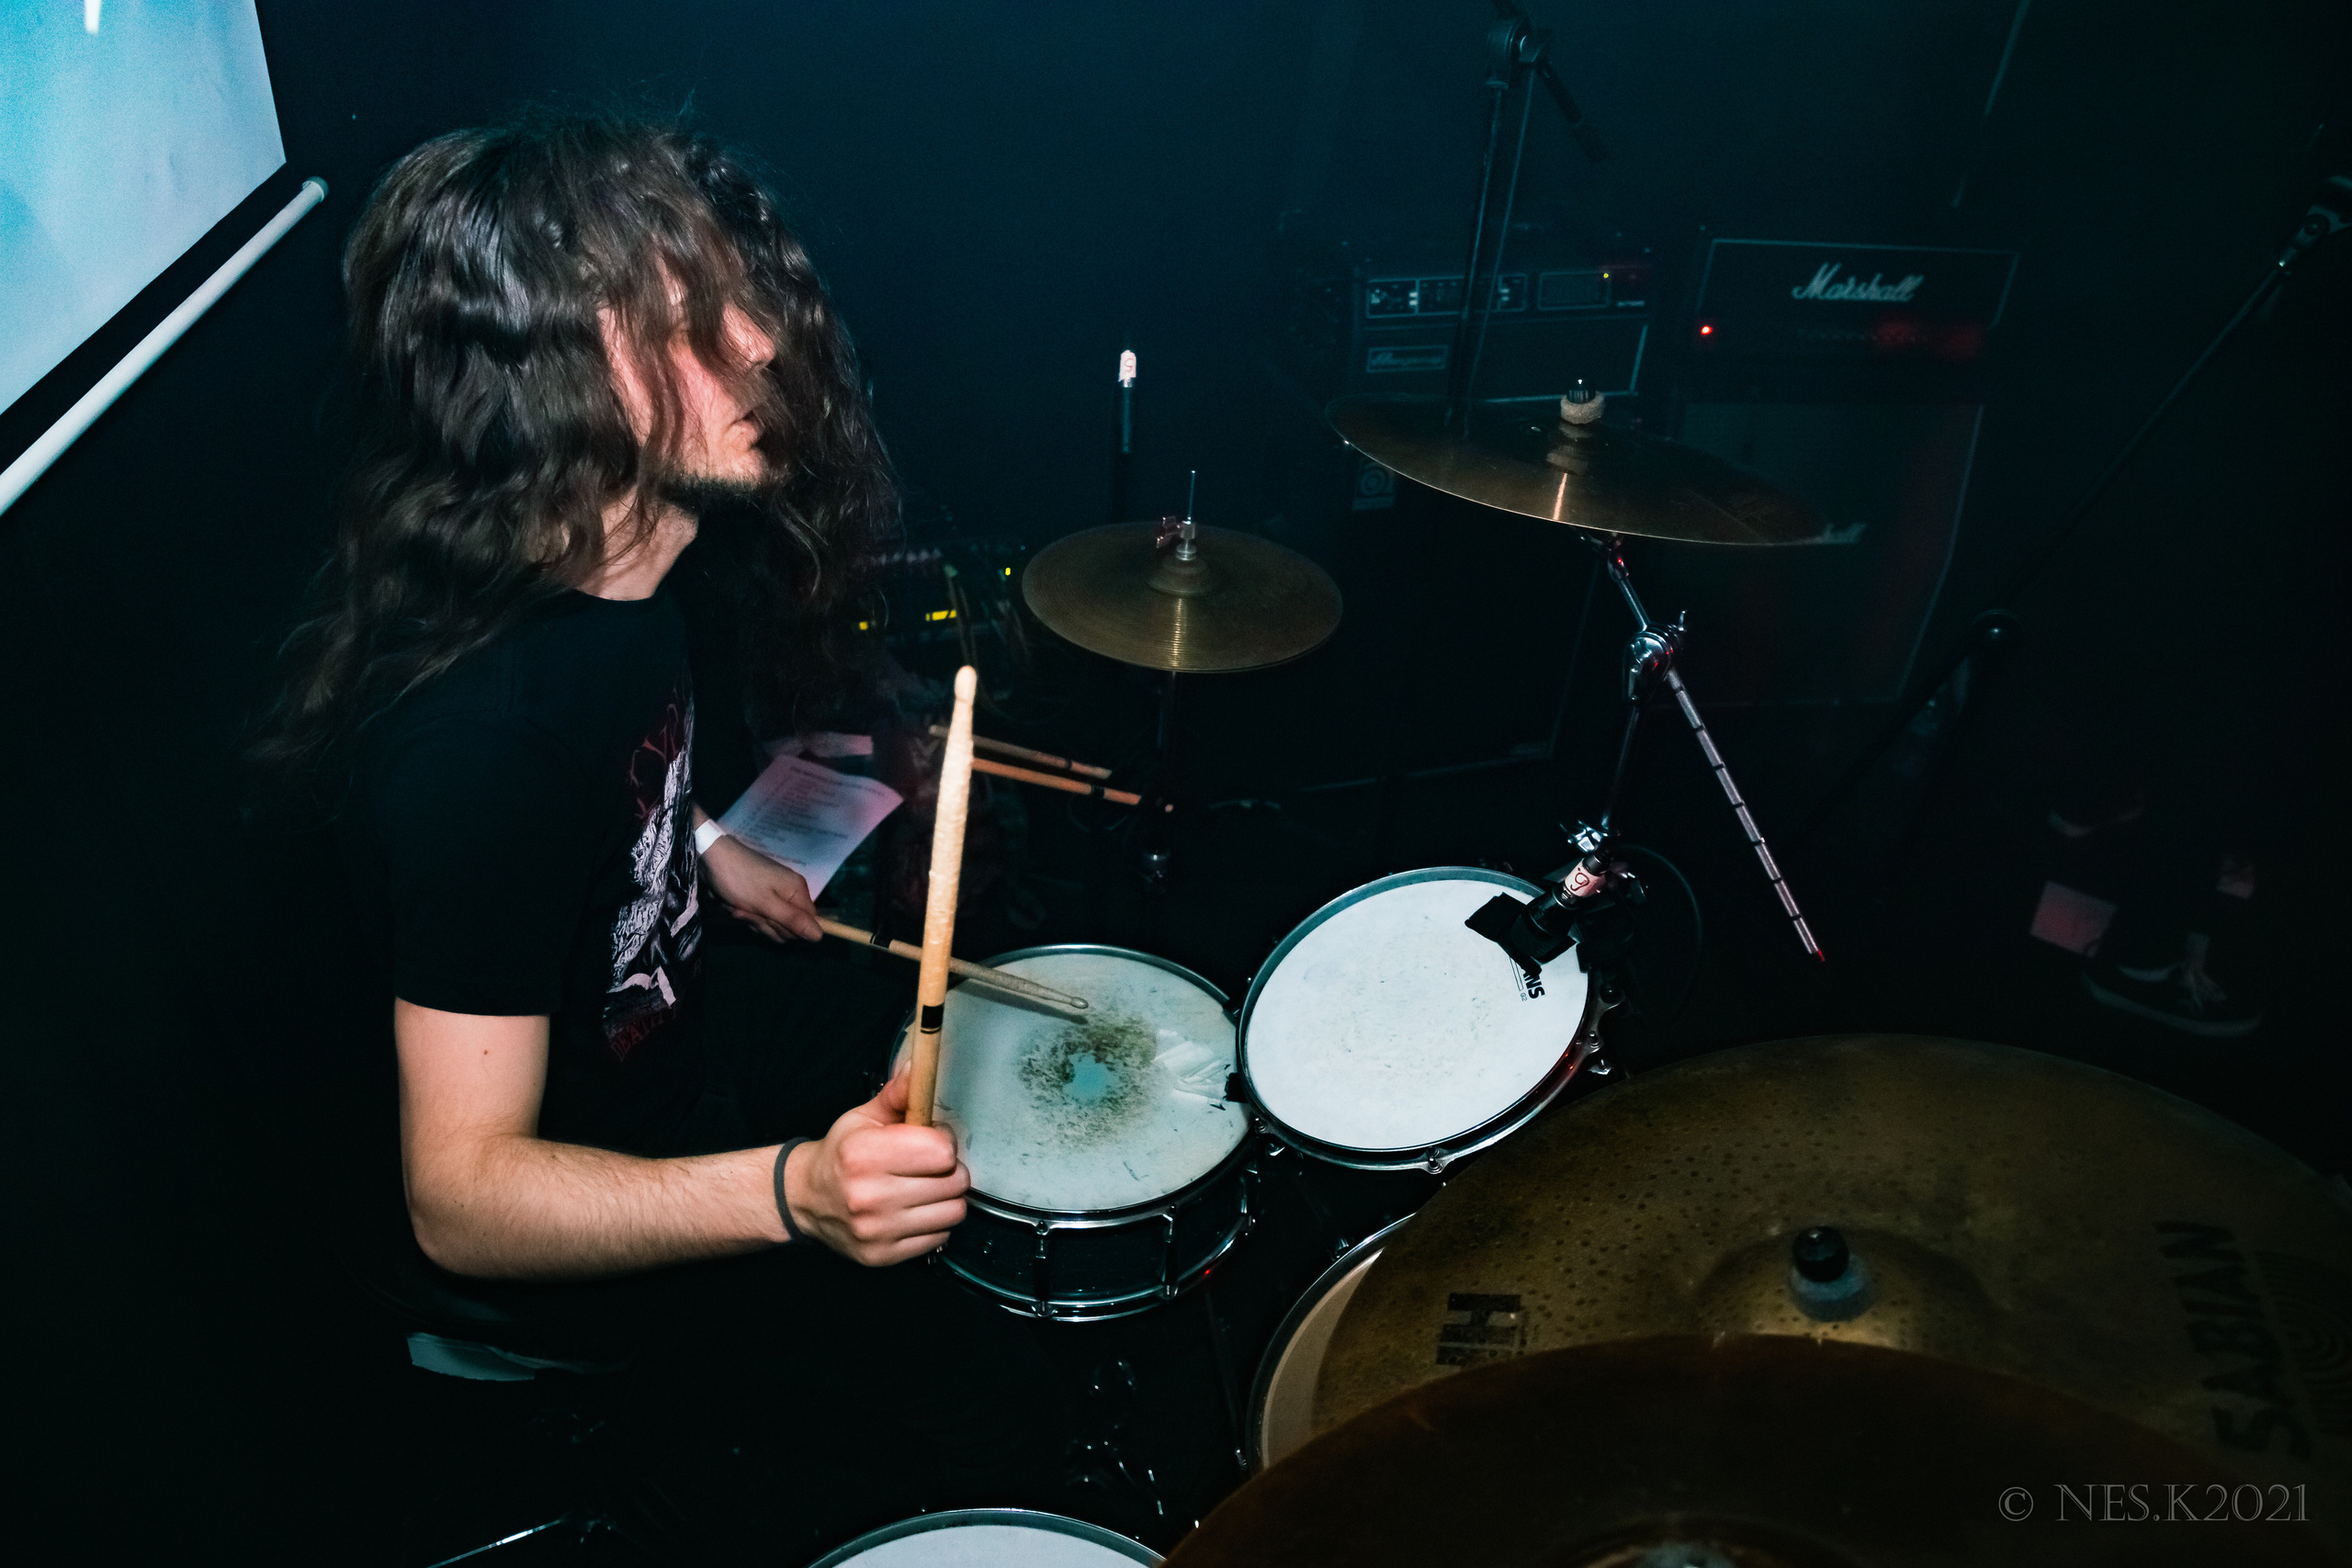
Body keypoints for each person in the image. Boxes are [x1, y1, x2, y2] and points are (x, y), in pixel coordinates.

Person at [249, 111, 1067, 1551]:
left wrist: (694, 843)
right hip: (572, 1223)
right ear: (556, 374)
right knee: (957, 1436)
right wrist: (794, 1196)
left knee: (964, 1053)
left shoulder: (621, 565)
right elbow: (461, 1198)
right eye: (691, 319)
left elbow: (605, 768)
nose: (761, 343)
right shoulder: (477, 747)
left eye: (739, 293)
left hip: (672, 1035)